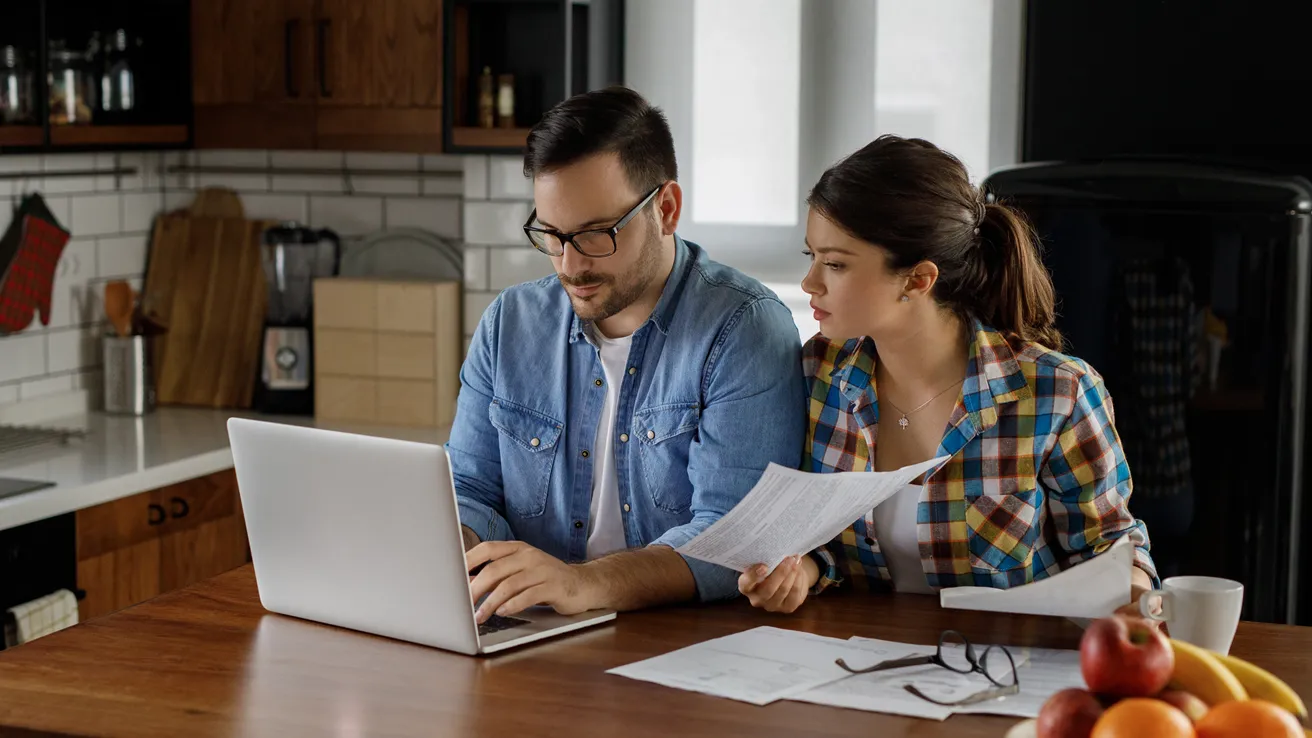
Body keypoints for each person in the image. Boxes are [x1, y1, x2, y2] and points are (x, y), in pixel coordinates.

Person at [737, 135, 1158, 617]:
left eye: (835, 263)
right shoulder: (819, 373)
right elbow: (820, 538)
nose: (810, 282)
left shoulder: (1057, 393)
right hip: (853, 653)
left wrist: (1131, 592)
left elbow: (1110, 549)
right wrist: (804, 571)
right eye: (810, 256)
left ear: (918, 279)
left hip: (1006, 654)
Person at [450, 86, 806, 624]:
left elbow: (731, 539)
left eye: (595, 234)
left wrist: (580, 583)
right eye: (552, 234)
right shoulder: (509, 323)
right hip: (528, 630)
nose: (570, 265)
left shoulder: (744, 330)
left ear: (666, 209)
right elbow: (470, 489)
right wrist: (452, 539)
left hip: (676, 641)